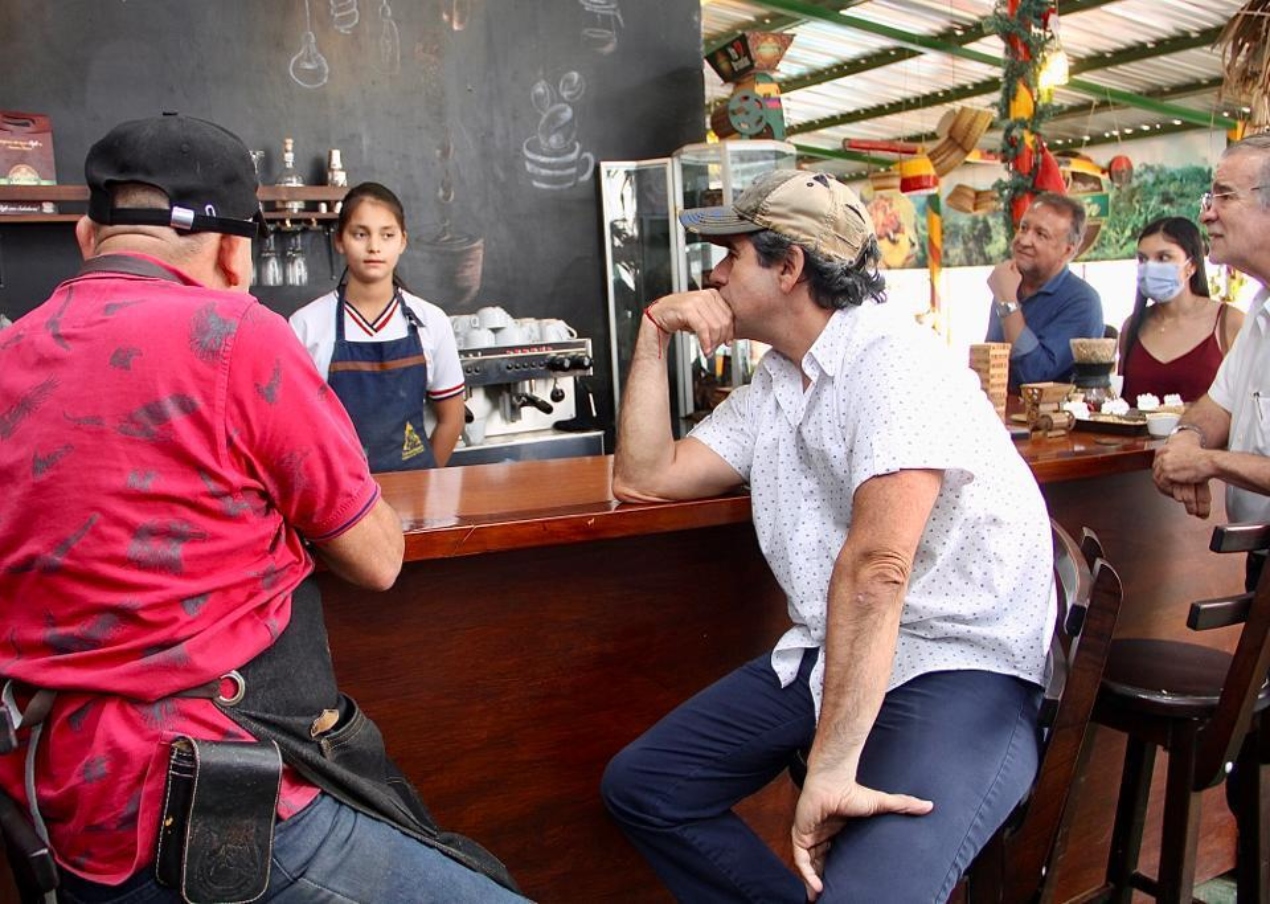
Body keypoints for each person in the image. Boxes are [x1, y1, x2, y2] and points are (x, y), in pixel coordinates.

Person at [0, 114, 523, 902]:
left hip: (60, 817)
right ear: (234, 251)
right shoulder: (238, 333)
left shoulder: (12, 350)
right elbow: (377, 559)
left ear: (85, 235)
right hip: (218, 808)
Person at [601, 170, 1056, 903]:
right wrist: (654, 332)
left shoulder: (891, 360)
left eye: (732, 254)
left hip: (956, 664)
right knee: (647, 786)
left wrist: (833, 768)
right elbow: (647, 475)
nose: (713, 274)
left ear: (789, 268)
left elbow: (879, 568)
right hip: (837, 649)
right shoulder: (782, 380)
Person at [290, 182, 466, 470]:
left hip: (416, 496)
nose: (374, 247)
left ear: (403, 241)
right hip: (340, 502)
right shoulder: (305, 325)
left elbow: (452, 419)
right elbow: (294, 429)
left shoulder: (431, 321)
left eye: (387, 235)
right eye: (360, 234)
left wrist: (425, 480)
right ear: (339, 240)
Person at [985, 191, 1106, 391]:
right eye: (1023, 228)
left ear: (1068, 250)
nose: (1024, 241)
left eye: (1041, 234)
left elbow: (1033, 377)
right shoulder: (1009, 283)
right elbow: (991, 365)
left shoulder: (1083, 301)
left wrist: (1008, 302)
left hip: (1053, 419)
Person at [1118, 216, 1243, 404]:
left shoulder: (1229, 323)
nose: (1150, 267)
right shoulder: (1132, 326)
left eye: (1163, 258)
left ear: (1191, 266)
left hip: (1206, 433)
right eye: (1143, 259)